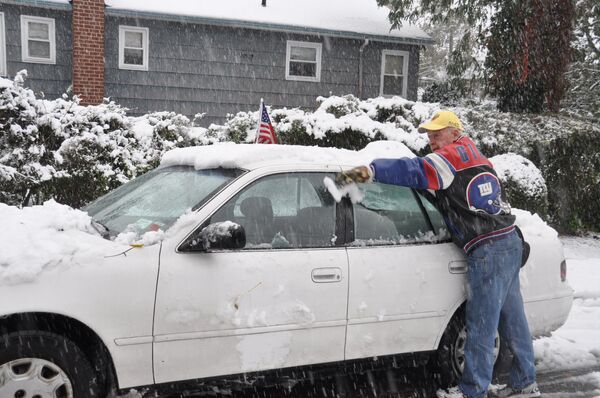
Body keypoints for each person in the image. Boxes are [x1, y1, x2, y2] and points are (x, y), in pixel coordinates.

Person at [336, 110, 540, 398]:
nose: (432, 140)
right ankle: (525, 383)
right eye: (430, 135)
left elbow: (413, 170)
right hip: (509, 241)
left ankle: (472, 391)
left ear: (455, 132)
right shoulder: (477, 156)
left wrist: (368, 171)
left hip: (488, 248)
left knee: (481, 325)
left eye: (437, 134)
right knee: (513, 320)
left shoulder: (449, 158)